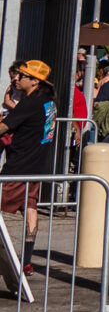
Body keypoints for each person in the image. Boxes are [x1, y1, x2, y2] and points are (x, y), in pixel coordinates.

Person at [0, 61, 58, 276]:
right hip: (35, 167)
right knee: (30, 209)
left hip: (19, 167)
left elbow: (5, 127)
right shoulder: (47, 101)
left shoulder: (31, 102)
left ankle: (23, 260)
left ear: (34, 80)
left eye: (21, 75)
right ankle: (26, 260)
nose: (16, 78)